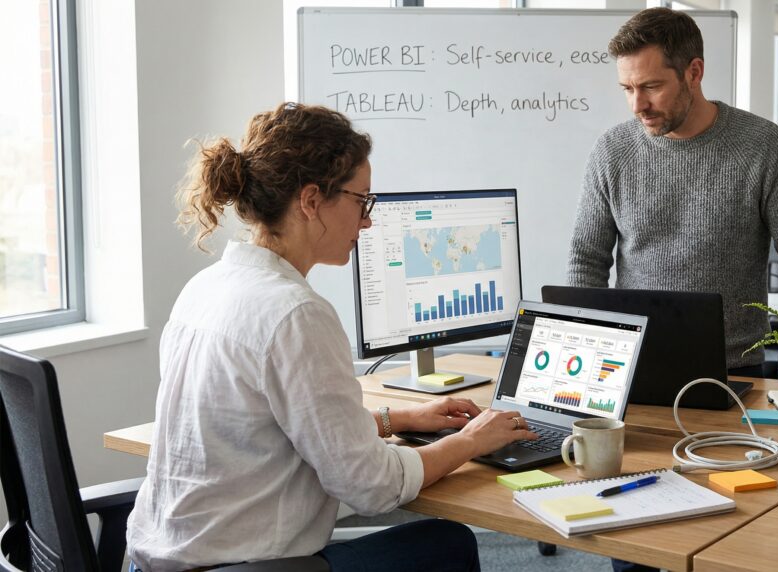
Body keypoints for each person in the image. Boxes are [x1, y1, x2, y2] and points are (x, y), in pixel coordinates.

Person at [126, 103, 537, 572]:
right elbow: (372, 487)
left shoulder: (207, 287)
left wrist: (397, 418)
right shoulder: (295, 313)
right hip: (241, 568)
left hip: (153, 560)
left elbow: (280, 426)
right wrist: (470, 441)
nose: (367, 221)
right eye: (362, 200)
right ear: (310, 201)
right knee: (447, 542)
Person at [566, 8, 778, 387]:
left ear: (694, 72)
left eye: (651, 87)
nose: (637, 104)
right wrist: (585, 351)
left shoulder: (762, 146)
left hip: (735, 371)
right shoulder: (612, 150)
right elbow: (586, 261)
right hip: (628, 368)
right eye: (628, 89)